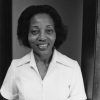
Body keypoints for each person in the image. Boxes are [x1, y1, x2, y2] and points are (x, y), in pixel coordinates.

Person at [0, 5, 87, 100]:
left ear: (56, 33)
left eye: (49, 31)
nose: (42, 37)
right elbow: (6, 97)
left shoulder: (72, 68)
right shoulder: (16, 67)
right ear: (26, 34)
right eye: (34, 31)